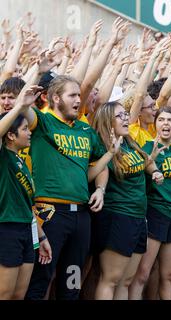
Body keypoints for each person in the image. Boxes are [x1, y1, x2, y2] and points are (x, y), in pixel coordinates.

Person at [22, 76, 117, 300]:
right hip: (50, 214)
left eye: (79, 95)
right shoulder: (43, 122)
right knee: (40, 279)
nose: (78, 100)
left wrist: (100, 190)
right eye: (72, 95)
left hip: (81, 217)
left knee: (72, 281)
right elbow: (25, 111)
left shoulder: (85, 130)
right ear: (56, 98)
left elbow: (100, 165)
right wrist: (26, 97)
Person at [91, 101, 163, 300]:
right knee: (111, 279)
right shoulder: (100, 143)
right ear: (107, 121)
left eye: (126, 115)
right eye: (120, 116)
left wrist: (155, 170)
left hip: (139, 215)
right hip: (117, 215)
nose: (126, 119)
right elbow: (93, 172)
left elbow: (145, 162)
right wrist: (110, 153)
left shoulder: (129, 141)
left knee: (127, 280)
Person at [129, 107, 171, 300]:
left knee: (170, 275)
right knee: (142, 274)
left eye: (170, 120)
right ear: (156, 123)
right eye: (162, 120)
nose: (166, 124)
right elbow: (145, 173)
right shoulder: (148, 147)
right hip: (154, 213)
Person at [0, 86, 51, 299]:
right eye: (24, 129)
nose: (30, 133)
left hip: (27, 231)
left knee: (19, 295)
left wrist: (42, 236)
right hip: (7, 230)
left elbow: (26, 206)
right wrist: (20, 105)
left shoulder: (22, 160)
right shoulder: (3, 157)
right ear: (10, 135)